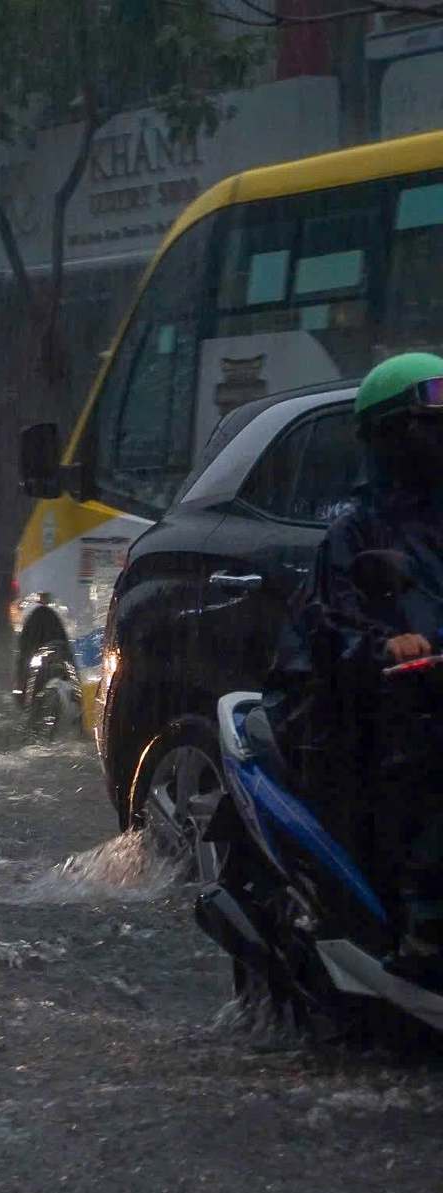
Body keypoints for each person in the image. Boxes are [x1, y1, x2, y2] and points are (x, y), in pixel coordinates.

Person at [266, 352, 443, 976]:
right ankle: (425, 927)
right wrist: (383, 645)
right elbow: (327, 621)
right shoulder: (354, 534)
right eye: (431, 425)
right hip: (383, 708)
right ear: (391, 437)